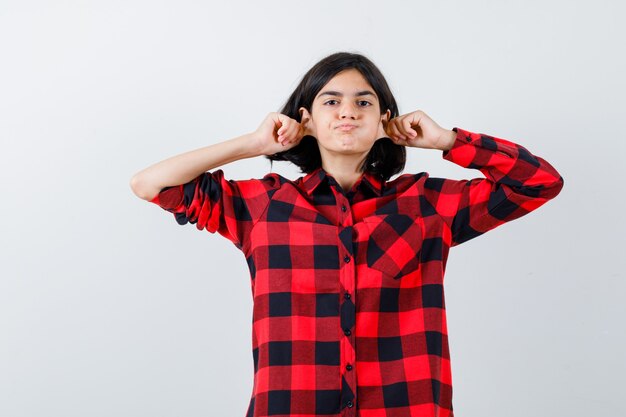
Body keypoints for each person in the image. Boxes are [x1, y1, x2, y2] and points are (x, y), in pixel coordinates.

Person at [130, 52, 564, 417]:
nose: (347, 112)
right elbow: (150, 185)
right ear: (307, 120)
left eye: (364, 102)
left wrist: (447, 140)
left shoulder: (426, 204)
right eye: (331, 101)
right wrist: (253, 144)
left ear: (383, 121)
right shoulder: (264, 207)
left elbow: (539, 182)